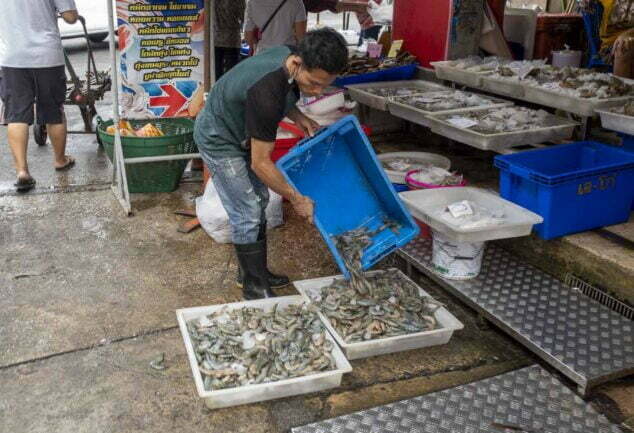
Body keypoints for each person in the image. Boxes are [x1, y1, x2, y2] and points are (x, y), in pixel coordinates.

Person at [194, 28, 348, 300]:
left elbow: (284, 94)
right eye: (313, 83)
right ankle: (253, 285)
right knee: (247, 210)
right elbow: (261, 164)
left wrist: (299, 118)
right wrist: (296, 198)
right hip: (219, 138)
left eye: (325, 85)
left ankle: (254, 272)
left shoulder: (289, 56)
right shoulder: (267, 91)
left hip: (241, 127)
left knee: (260, 198)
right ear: (298, 63)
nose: (317, 91)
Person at [0, 0, 78, 193]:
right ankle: (60, 160)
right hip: (47, 55)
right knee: (53, 111)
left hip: (13, 56)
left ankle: (22, 172)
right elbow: (70, 17)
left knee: (16, 114)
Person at [214, 0, 246, 79]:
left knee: (216, 74)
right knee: (231, 75)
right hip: (232, 40)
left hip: (215, 39)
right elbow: (244, 17)